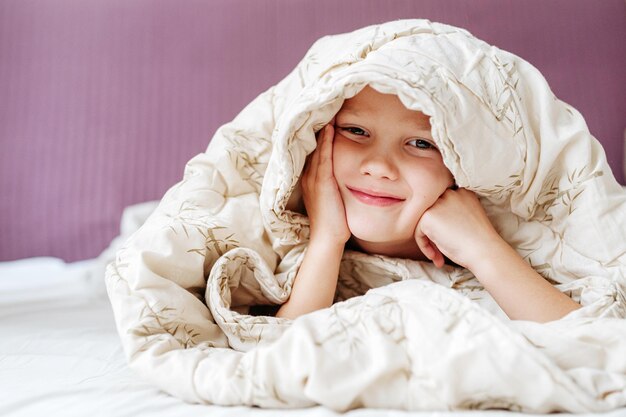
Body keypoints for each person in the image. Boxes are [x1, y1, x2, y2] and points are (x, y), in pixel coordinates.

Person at [275, 85, 582, 322]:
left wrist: (484, 249)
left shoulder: (525, 244)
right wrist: (327, 239)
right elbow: (276, 363)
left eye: (422, 143)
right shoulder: (281, 254)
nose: (379, 166)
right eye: (356, 131)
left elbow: (593, 344)